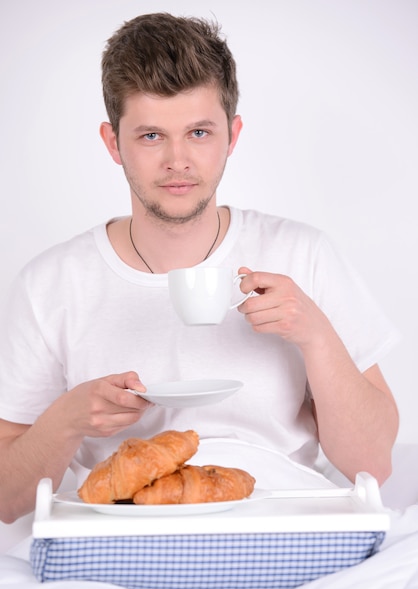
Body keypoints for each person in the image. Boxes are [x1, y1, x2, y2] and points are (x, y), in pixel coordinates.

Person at [0, 12, 399, 524]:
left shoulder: (304, 254)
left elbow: (373, 465)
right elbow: (8, 503)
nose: (177, 160)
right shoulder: (50, 283)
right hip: (126, 536)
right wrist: (66, 420)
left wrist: (316, 336)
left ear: (231, 136)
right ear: (111, 142)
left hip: (283, 523)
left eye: (198, 132)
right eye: (150, 136)